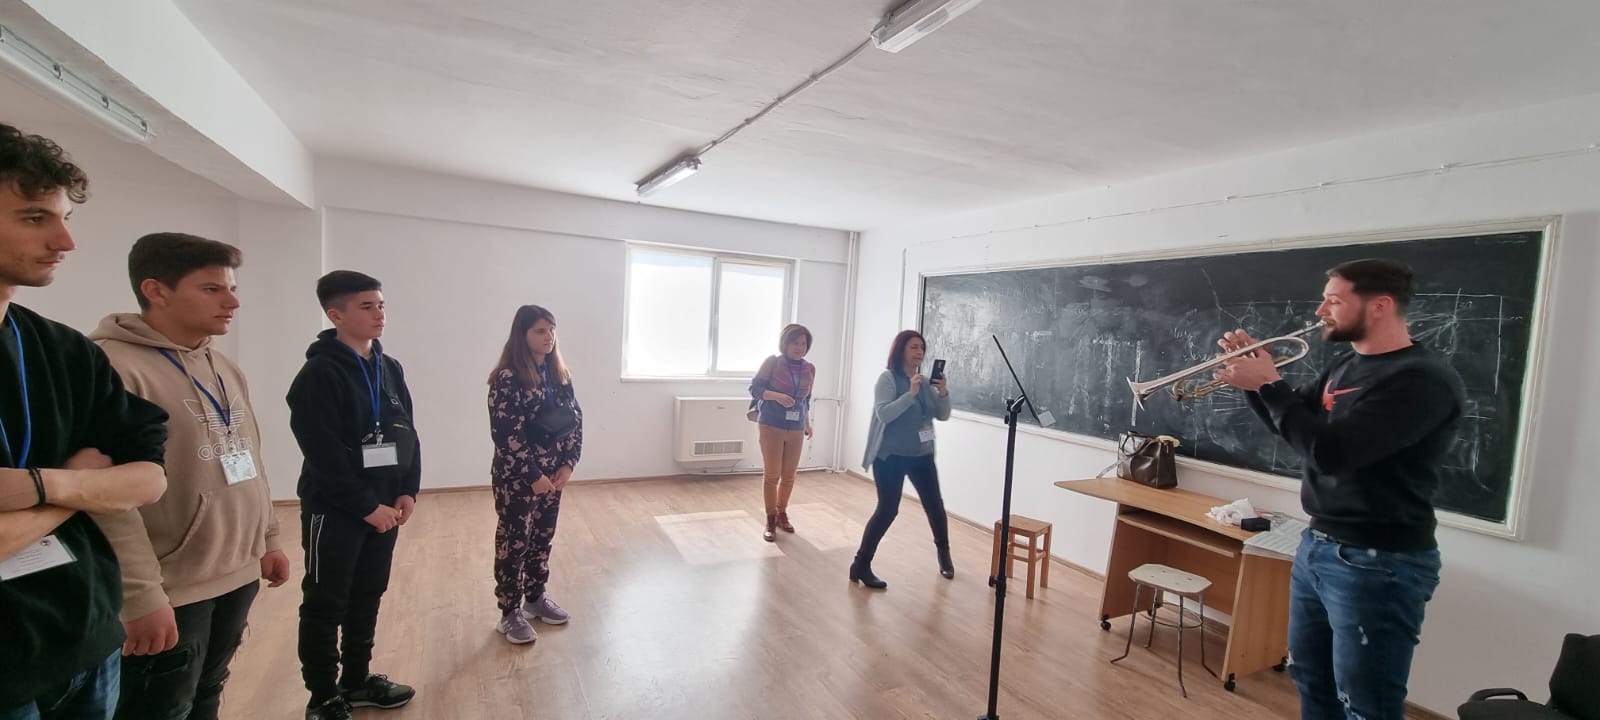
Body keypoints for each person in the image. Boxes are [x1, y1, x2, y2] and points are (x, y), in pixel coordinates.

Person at [1213, 258, 1464, 720]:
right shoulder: (1349, 363)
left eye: (1333, 300)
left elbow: (1332, 454)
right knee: (1310, 677)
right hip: (1319, 545)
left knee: (1366, 704)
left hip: (1379, 561)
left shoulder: (1420, 380)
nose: (1319, 311)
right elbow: (1295, 427)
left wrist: (1269, 383)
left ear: (1379, 305)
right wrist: (1253, 381)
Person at [0, 122, 169, 719]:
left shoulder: (63, 349)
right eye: (34, 217)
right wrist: (82, 486)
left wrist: (44, 486)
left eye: (65, 217)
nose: (66, 240)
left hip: (87, 640)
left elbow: (149, 477)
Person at [90, 232, 291, 720]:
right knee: (161, 708)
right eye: (212, 289)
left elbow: (249, 456)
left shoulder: (221, 364)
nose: (232, 302)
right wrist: (140, 595)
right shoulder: (111, 367)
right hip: (170, 587)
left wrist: (267, 538)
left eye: (232, 288)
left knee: (208, 691)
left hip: (237, 571)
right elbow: (105, 496)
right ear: (156, 290)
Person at [286, 271, 421, 720]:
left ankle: (357, 680)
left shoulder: (389, 367)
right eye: (367, 306)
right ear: (336, 315)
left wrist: (407, 489)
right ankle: (323, 695)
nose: (379, 313)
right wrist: (365, 506)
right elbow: (322, 453)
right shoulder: (318, 375)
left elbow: (408, 432)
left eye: (381, 304)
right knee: (326, 601)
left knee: (368, 594)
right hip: (337, 510)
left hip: (387, 507)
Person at [486, 305, 583, 645]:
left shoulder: (560, 375)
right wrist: (532, 474)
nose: (548, 337)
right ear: (522, 334)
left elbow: (575, 421)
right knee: (515, 542)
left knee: (542, 538)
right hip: (518, 479)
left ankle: (535, 598)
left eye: (552, 330)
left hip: (553, 476)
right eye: (540, 331)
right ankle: (509, 611)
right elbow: (506, 435)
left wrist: (568, 464)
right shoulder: (507, 378)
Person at [851, 330, 952, 590]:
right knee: (887, 510)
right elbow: (884, 414)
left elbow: (942, 415)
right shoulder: (887, 379)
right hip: (890, 457)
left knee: (935, 506)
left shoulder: (925, 381)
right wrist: (910, 394)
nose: (919, 352)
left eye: (922, 348)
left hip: (922, 455)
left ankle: (944, 556)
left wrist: (942, 393)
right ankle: (860, 564)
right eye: (913, 347)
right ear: (901, 351)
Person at [748, 323, 815, 542]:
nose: (800, 347)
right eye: (795, 343)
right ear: (785, 343)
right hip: (771, 424)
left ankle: (781, 513)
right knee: (772, 475)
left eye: (803, 343)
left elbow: (806, 399)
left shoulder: (809, 368)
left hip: (796, 427)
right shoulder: (773, 363)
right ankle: (770, 519)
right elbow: (754, 389)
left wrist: (807, 423)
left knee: (789, 476)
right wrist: (777, 396)